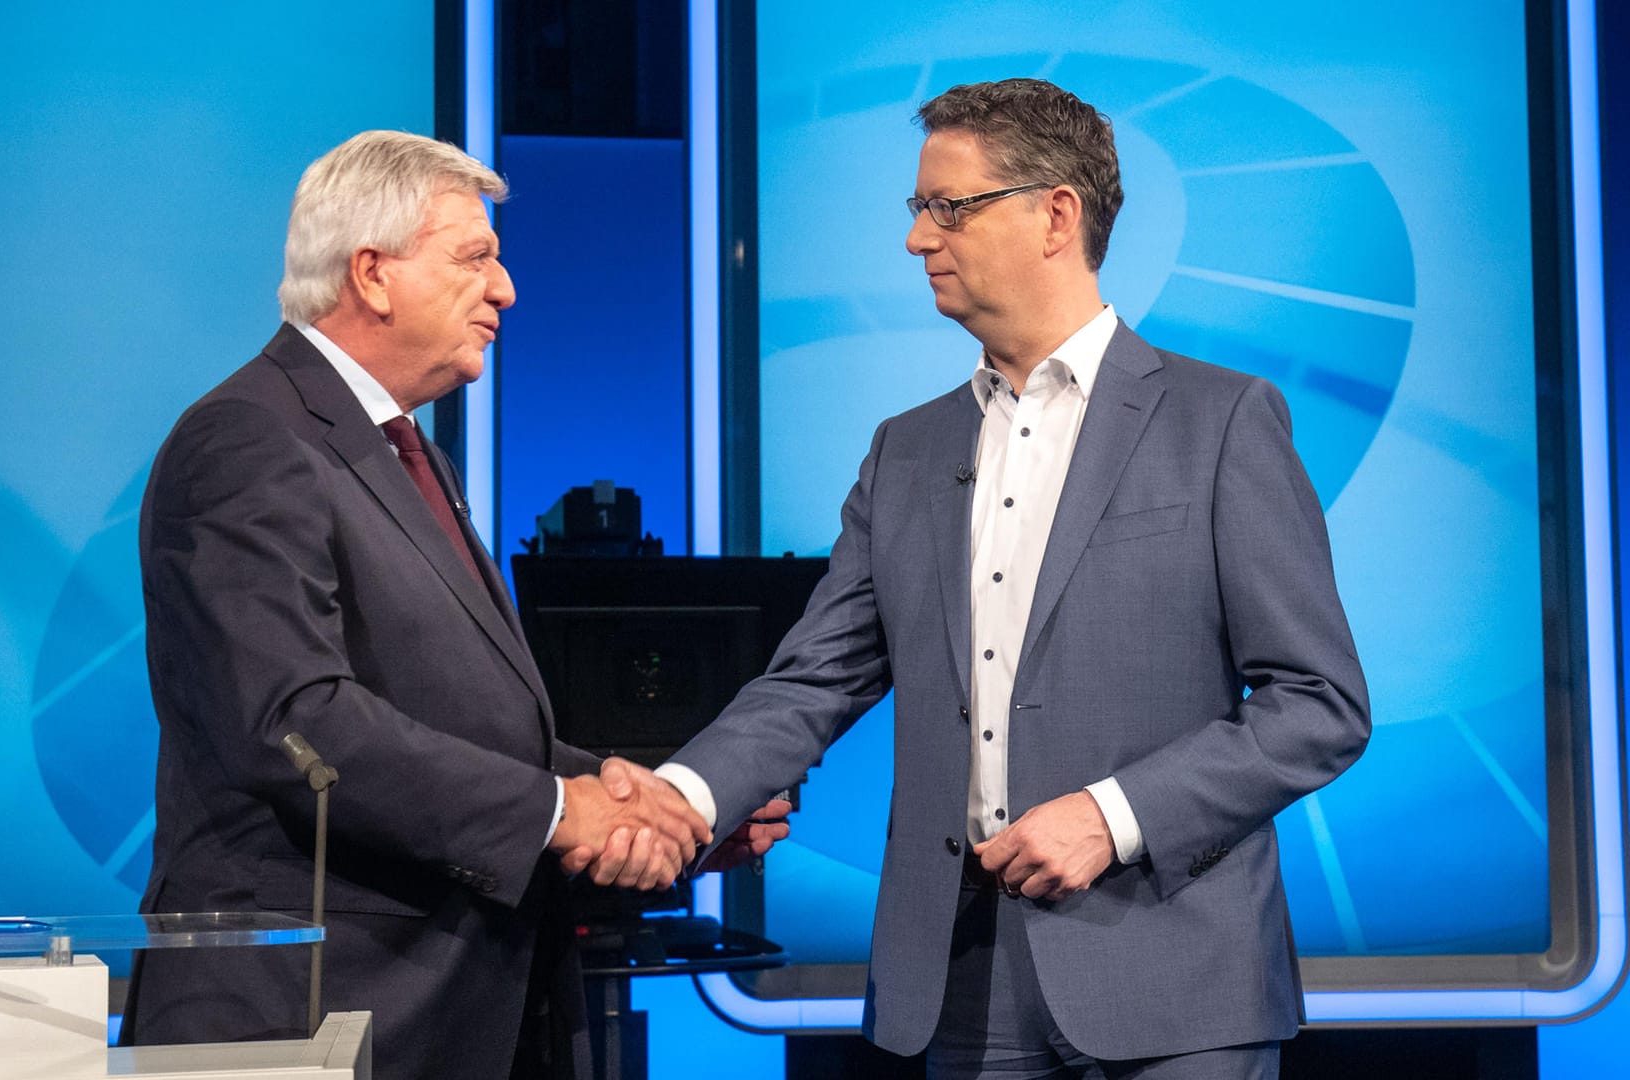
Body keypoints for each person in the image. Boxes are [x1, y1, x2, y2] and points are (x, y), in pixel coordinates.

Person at [620, 78, 1371, 1078]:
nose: (918, 240)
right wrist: (679, 799)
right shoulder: (907, 451)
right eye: (916, 211)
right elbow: (812, 680)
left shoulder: (1221, 421)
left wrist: (1110, 815)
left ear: (1056, 213)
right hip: (965, 986)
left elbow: (1318, 706)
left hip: (1175, 985)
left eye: (949, 208)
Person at [121, 130, 732, 1080]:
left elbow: (450, 713)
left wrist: (635, 794)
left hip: (451, 1006)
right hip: (309, 1011)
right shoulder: (247, 438)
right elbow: (293, 722)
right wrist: (557, 811)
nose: (506, 290)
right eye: (475, 258)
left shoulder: (407, 453)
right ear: (372, 274)